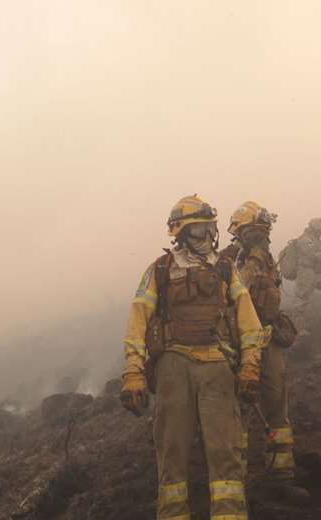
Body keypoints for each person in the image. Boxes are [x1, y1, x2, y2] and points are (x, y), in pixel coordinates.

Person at [120, 194, 264, 520]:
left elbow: (248, 321)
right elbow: (139, 318)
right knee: (171, 454)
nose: (207, 235)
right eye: (198, 229)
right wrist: (133, 371)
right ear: (181, 233)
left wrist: (251, 366)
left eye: (209, 227)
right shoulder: (160, 270)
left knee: (226, 452)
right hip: (173, 366)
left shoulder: (226, 269)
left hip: (217, 363)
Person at [224, 201, 310, 502]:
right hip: (240, 344)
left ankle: (281, 476)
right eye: (254, 232)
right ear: (241, 233)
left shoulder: (266, 259)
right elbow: (234, 300)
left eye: (263, 231)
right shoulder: (229, 262)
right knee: (240, 412)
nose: (261, 237)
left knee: (277, 410)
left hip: (268, 340)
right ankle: (237, 483)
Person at [290, 217, 321, 335]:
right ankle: (298, 330)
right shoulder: (305, 239)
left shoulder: (316, 240)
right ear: (315, 229)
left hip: (316, 274)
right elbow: (314, 255)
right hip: (305, 274)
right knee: (301, 302)